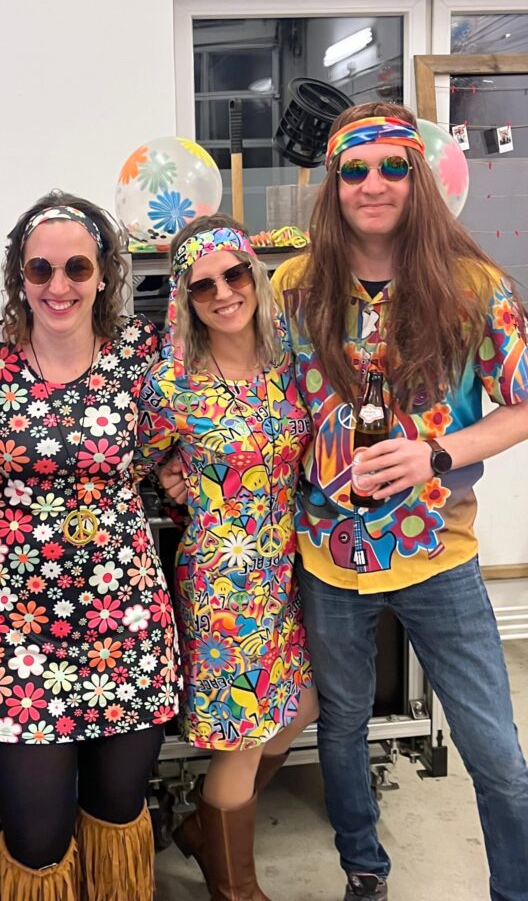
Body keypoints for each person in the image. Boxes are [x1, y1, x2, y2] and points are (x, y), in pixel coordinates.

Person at [270, 103, 528, 901]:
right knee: (342, 726)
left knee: (496, 753)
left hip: (438, 553)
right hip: (327, 554)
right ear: (333, 183)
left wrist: (437, 452)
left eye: (392, 167)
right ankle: (363, 871)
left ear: (418, 178)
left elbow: (523, 404)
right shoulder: (293, 287)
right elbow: (264, 402)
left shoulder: (474, 287)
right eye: (354, 169)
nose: (373, 184)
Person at [0, 191, 180, 901]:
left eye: (77, 268)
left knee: (118, 808)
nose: (58, 286)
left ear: (104, 273)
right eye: (40, 269)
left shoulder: (142, 351)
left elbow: (193, 422)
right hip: (18, 625)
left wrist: (181, 469)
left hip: (125, 616)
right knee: (36, 835)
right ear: (19, 276)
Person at [137, 215, 318, 901]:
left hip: (287, 570)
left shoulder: (288, 360)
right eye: (202, 284)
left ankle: (200, 830)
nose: (222, 293)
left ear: (255, 276)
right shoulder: (173, 383)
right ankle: (235, 887)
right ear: (184, 298)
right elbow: (130, 462)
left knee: (300, 708)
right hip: (225, 582)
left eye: (234, 274)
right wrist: (168, 477)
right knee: (243, 737)